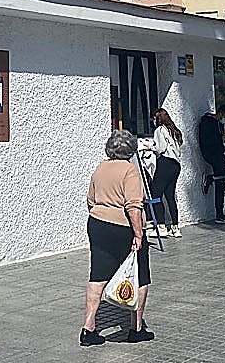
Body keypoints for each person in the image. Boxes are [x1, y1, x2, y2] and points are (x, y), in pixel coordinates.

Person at [80, 130, 154, 346]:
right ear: (131, 150)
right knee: (140, 274)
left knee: (98, 275)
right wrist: (138, 234)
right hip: (122, 227)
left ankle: (88, 328)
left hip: (97, 224)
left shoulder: (100, 168)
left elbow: (91, 200)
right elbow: (134, 206)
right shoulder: (130, 171)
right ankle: (136, 328)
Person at [198, 104, 225, 224]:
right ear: (220, 114)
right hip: (213, 154)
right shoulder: (208, 122)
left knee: (221, 184)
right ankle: (210, 178)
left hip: (218, 154)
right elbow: (211, 139)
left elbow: (222, 138)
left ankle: (219, 214)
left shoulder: (218, 124)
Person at [148, 109, 184, 237]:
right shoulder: (173, 130)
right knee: (170, 195)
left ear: (158, 119)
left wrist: (150, 148)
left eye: (154, 118)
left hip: (165, 163)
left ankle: (161, 225)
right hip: (175, 165)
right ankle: (175, 227)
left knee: (155, 194)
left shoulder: (159, 130)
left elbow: (160, 148)